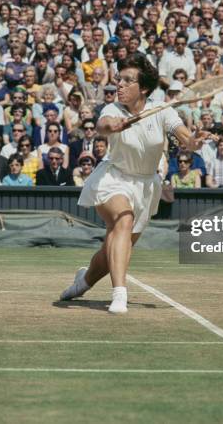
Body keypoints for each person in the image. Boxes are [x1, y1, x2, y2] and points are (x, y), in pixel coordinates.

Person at [60, 54, 207, 314]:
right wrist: (112, 126)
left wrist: (194, 142)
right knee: (124, 219)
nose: (120, 85)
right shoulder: (112, 109)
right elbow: (102, 125)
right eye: (119, 79)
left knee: (112, 251)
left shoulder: (162, 110)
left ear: (144, 88)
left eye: (128, 81)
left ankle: (82, 282)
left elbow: (184, 136)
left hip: (146, 185)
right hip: (113, 178)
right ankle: (120, 294)